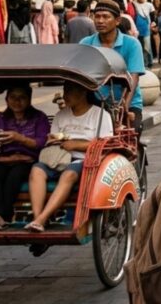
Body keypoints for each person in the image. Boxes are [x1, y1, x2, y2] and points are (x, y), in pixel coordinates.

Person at [25, 81, 114, 232]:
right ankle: (38, 218)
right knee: (36, 170)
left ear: (84, 92)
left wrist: (76, 145)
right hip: (58, 157)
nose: (66, 96)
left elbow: (105, 144)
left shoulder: (100, 115)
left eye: (70, 91)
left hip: (83, 159)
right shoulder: (61, 115)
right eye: (65, 91)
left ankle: (41, 219)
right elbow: (51, 138)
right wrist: (54, 140)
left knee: (69, 174)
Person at [0, 83, 50, 230]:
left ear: (29, 100)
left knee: (15, 175)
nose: (17, 101)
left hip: (28, 160)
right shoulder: (0, 118)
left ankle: (4, 216)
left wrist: (19, 138)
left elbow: (42, 142)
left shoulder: (39, 117)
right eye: (13, 97)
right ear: (7, 99)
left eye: (22, 97)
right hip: (4, 159)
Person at [80, 0, 146, 131]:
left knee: (130, 136)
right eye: (97, 16)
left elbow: (134, 77)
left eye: (105, 16)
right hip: (96, 102)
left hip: (129, 102)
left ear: (117, 20)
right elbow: (80, 75)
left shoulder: (132, 44)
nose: (100, 21)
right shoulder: (85, 43)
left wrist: (124, 107)